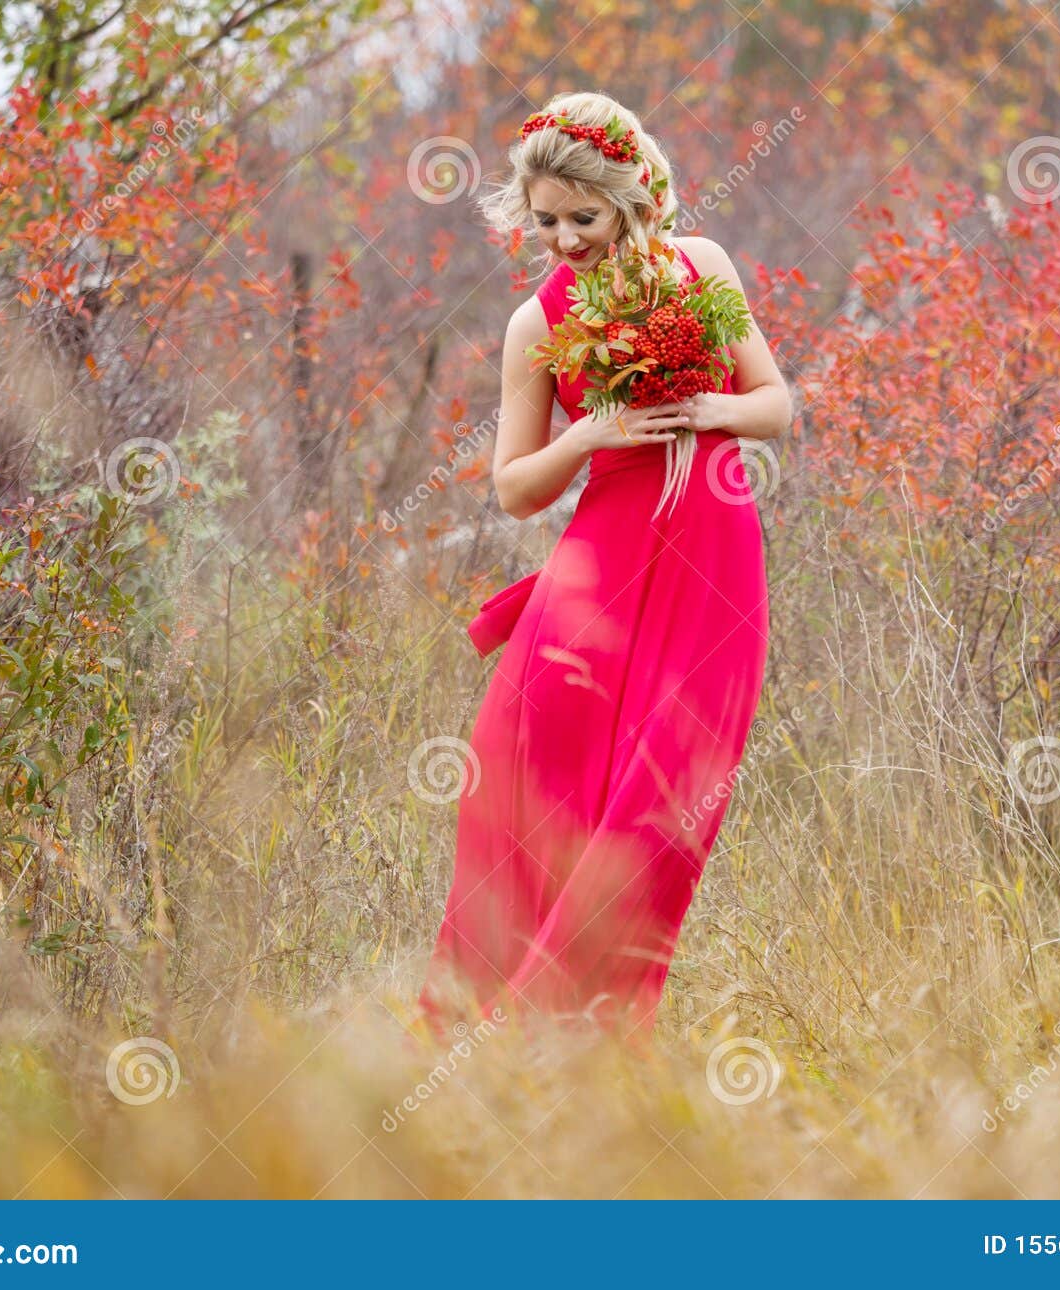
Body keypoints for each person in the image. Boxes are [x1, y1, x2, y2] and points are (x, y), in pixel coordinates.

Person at [418, 91, 790, 1038]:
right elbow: (513, 489)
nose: (563, 239)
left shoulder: (701, 268)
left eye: (581, 217)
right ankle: (500, 1039)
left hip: (714, 568)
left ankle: (574, 1029)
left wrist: (710, 411)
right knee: (538, 795)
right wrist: (591, 432)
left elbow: (776, 404)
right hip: (599, 578)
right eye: (544, 221)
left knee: (666, 798)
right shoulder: (533, 325)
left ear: (631, 198)